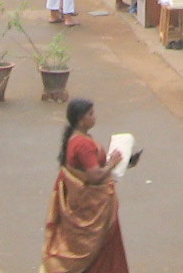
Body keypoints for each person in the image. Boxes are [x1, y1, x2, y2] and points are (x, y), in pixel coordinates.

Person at [40, 98, 130, 273]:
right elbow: (94, 176)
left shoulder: (78, 138)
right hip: (93, 209)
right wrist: (112, 164)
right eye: (91, 114)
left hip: (84, 203)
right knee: (100, 252)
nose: (94, 117)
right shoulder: (83, 144)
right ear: (81, 119)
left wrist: (123, 161)